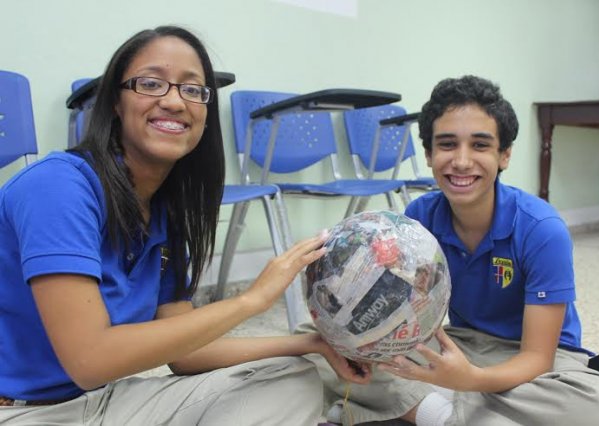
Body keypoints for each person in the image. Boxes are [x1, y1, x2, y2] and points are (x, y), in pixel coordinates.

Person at [0, 26, 370, 426]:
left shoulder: (164, 214)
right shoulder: (57, 186)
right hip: (22, 413)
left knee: (292, 377)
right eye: (152, 83)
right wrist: (251, 301)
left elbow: (185, 353)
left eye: (193, 90)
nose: (175, 101)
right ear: (114, 105)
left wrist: (312, 343)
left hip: (103, 403)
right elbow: (89, 360)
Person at [301, 75, 599, 425]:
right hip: (463, 345)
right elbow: (400, 314)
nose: (461, 161)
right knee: (320, 343)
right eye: (446, 144)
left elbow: (537, 358)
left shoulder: (541, 229)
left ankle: (421, 408)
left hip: (541, 361)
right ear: (428, 154)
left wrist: (469, 381)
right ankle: (447, 413)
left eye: (480, 145)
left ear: (504, 155)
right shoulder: (418, 220)